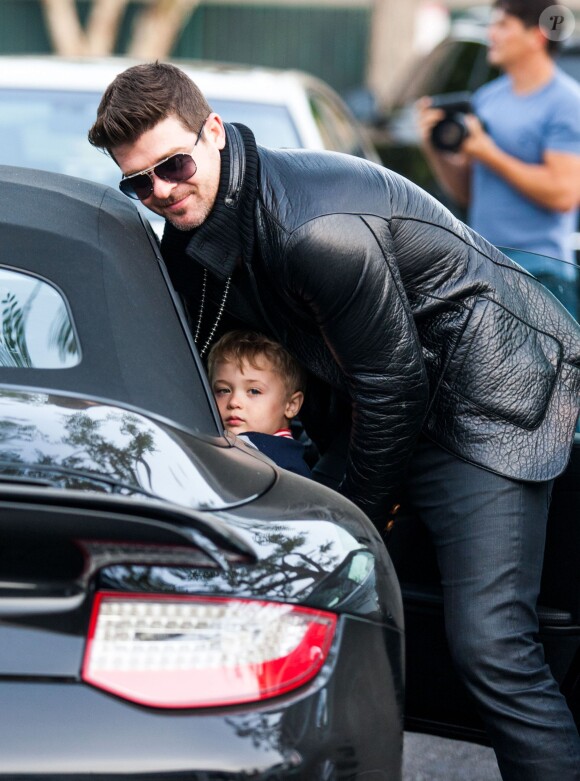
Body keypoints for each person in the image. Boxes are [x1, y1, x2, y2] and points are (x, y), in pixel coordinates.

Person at [88, 60, 580, 779]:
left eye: (172, 165)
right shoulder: (196, 228)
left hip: (486, 401)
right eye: (139, 183)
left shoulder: (315, 227)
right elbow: (176, 351)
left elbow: (393, 385)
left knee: (491, 645)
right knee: (341, 620)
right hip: (386, 398)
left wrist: (356, 512)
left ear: (214, 132)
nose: (162, 191)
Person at [417, 0, 580, 311]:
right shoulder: (487, 98)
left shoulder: (567, 102)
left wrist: (487, 152)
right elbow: (467, 194)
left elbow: (563, 194)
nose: (491, 33)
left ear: (537, 36)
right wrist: (433, 148)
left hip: (543, 275)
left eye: (502, 25)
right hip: (487, 266)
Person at [207, 329, 311, 478]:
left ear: (291, 405)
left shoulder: (284, 467)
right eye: (223, 390)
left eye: (254, 391)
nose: (234, 402)